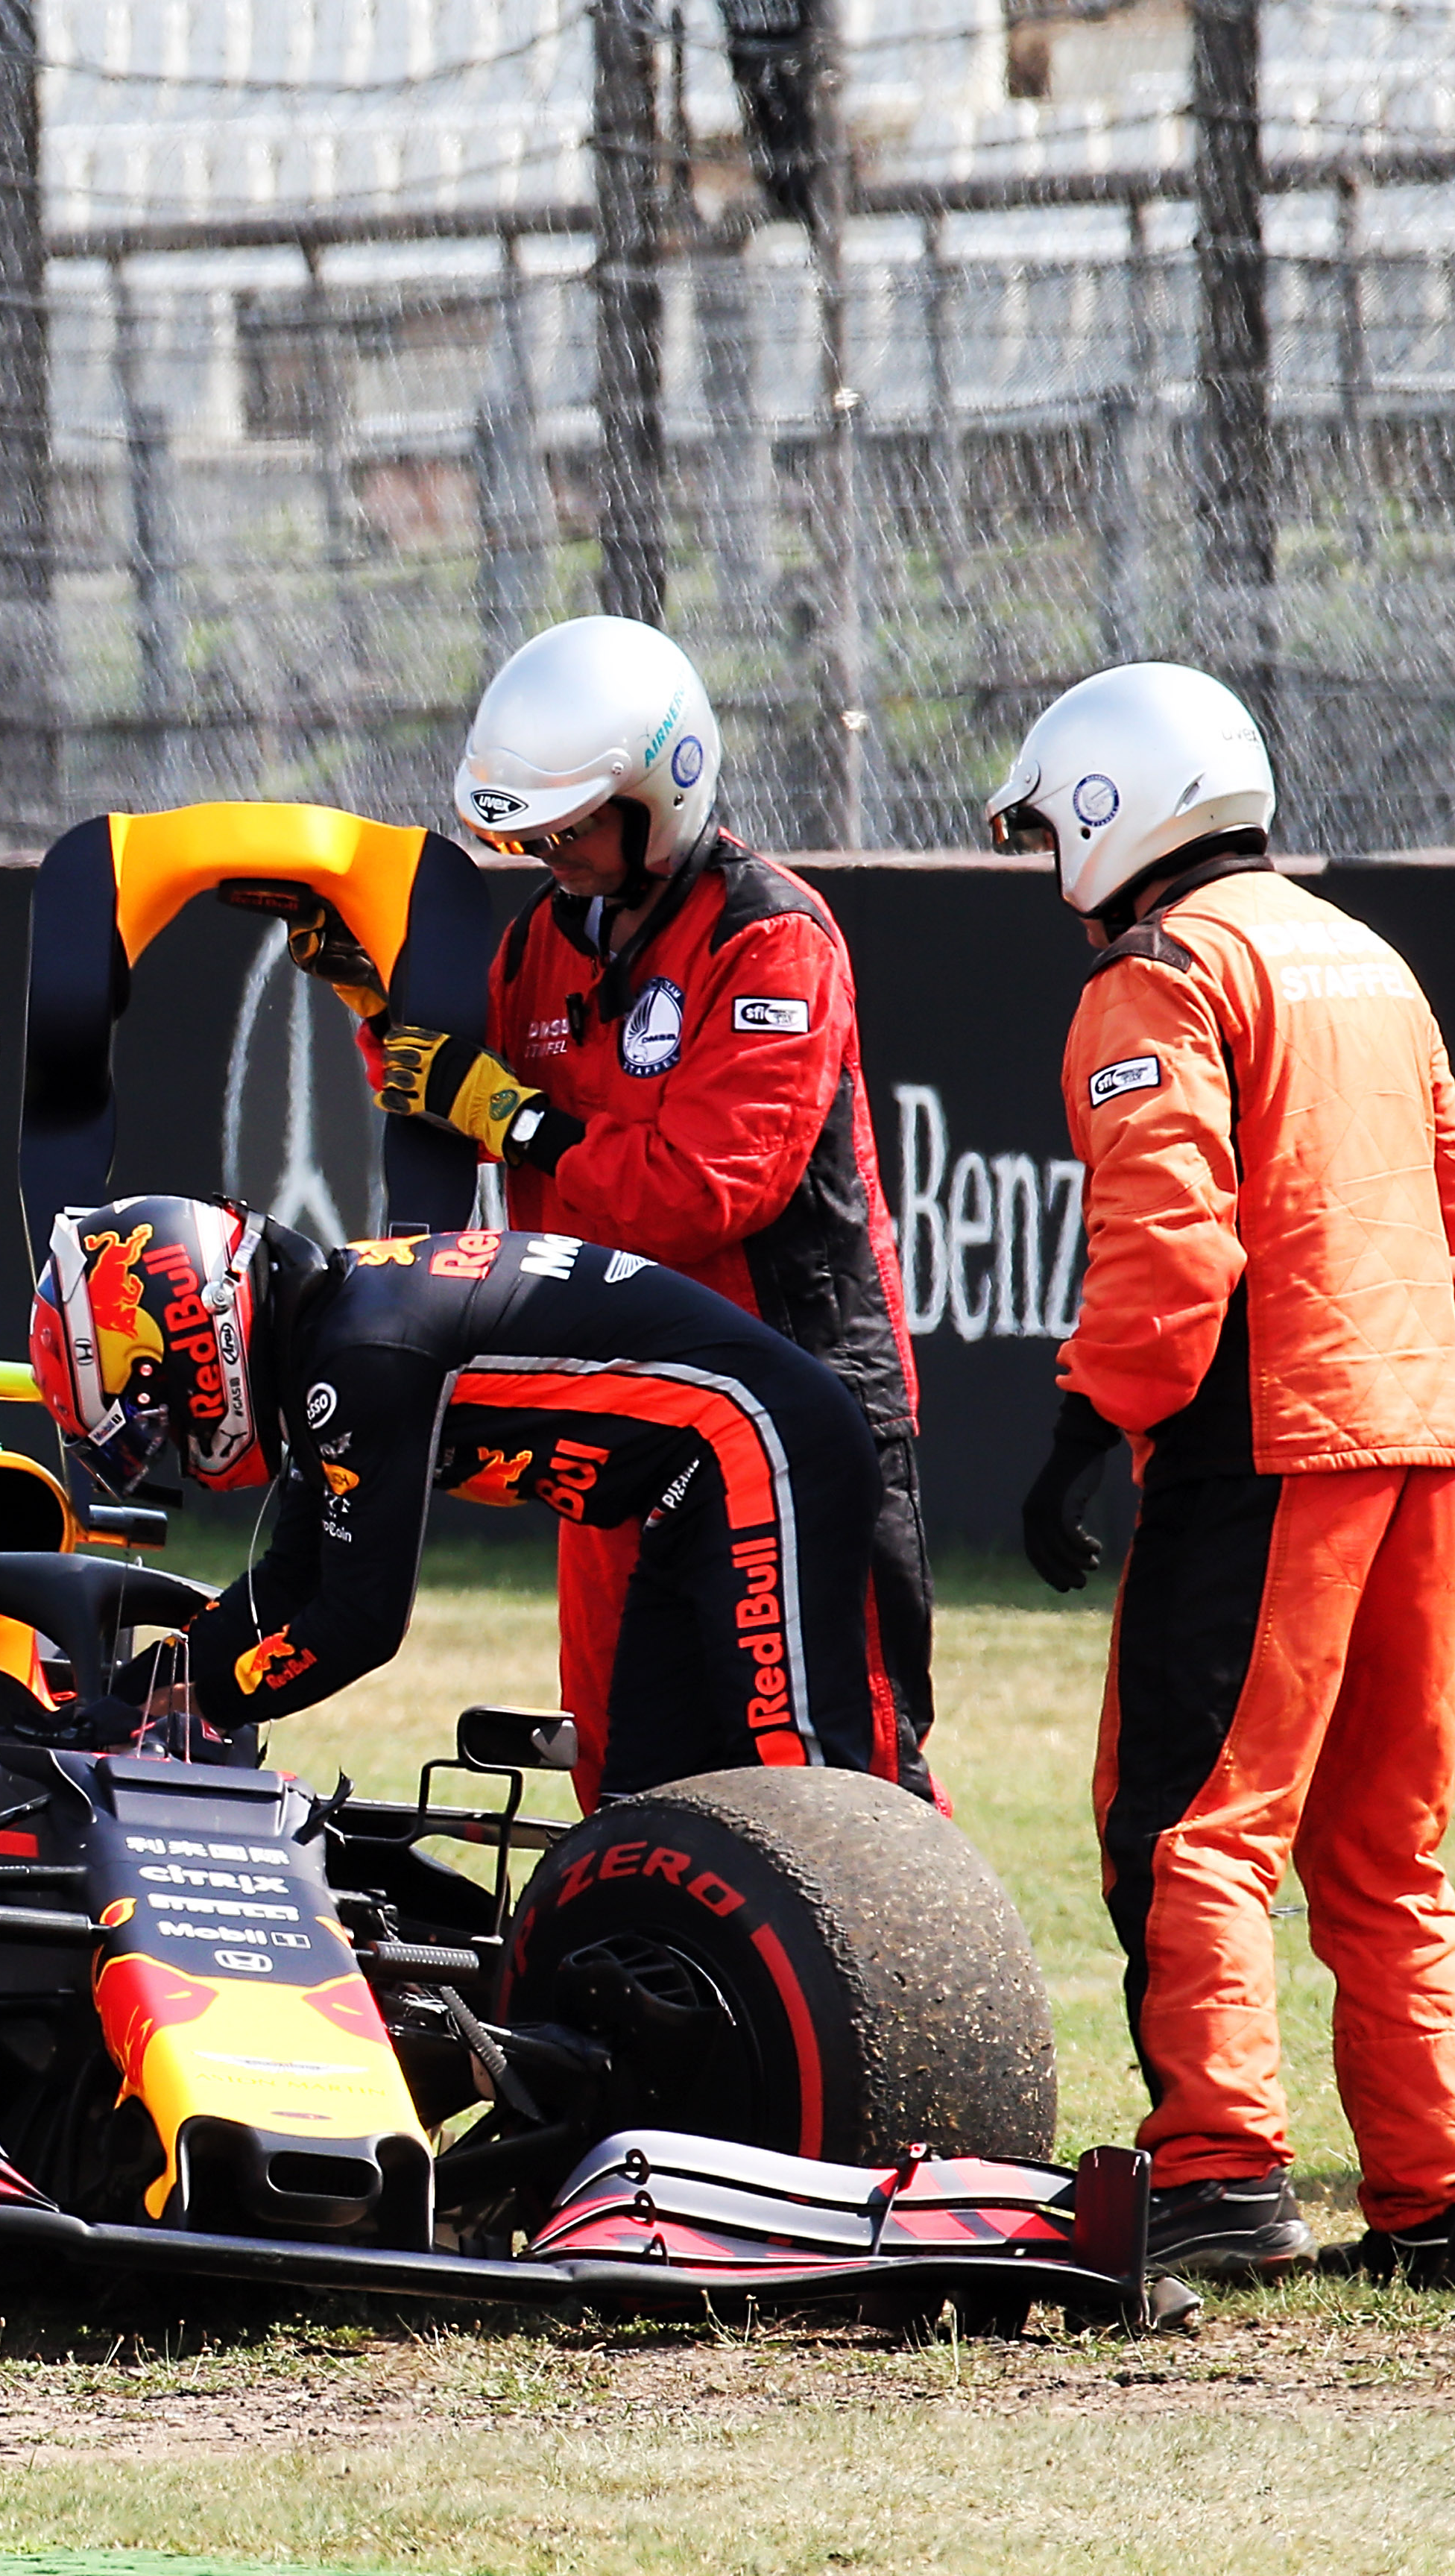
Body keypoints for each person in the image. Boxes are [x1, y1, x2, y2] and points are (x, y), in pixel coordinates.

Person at [993, 662, 1455, 2291]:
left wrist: (1088, 1428)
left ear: (1107, 811)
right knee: (1385, 1848)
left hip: (1266, 1440)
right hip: (1418, 1429)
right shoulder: (1368, 959)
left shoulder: (1160, 976)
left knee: (1185, 1824)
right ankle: (1437, 2207)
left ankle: (1219, 2174)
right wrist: (1415, 1399)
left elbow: (1168, 1246)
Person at [377, 616, 934, 1810]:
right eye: (529, 829)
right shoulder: (541, 937)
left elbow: (705, 1189)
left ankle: (891, 1997)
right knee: (629, 1781)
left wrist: (517, 1121)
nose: (547, 849)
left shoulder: (768, 937)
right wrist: (363, 984)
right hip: (626, 1417)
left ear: (663, 791)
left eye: (572, 824)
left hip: (799, 1420)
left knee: (839, 1782)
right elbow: (429, 1061)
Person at [27, 1196, 885, 1795]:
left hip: (761, 1441)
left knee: (797, 1785)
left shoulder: (360, 1357)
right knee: (650, 1806)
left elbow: (357, 1624)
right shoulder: (327, 1338)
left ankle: (892, 2030)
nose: (178, 1442)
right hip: (689, 1486)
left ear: (192, 1335)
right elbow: (290, 1585)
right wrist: (131, 1697)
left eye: (161, 1417)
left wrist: (203, 1701)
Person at [16, 801, 495, 1239]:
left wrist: (389, 1019)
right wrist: (387, 1019)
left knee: (437, 1082)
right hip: (401, 874)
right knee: (67, 1040)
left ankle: (69, 1294)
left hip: (120, 859)